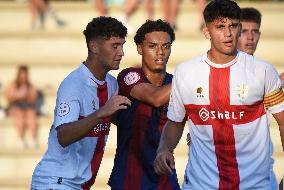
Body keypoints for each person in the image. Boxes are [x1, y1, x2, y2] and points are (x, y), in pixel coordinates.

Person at [154, 0, 284, 189]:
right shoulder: (185, 72)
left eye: (233, 25)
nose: (228, 33)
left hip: (254, 185)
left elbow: (282, 121)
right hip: (201, 184)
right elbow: (175, 122)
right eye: (220, 27)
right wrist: (164, 149)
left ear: (239, 27)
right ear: (206, 31)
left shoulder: (263, 71)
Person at [31, 16, 131, 189]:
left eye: (122, 45)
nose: (121, 52)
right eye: (114, 46)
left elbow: (121, 120)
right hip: (57, 182)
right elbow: (63, 135)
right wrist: (102, 113)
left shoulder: (111, 83)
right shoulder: (74, 84)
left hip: (78, 184)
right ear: (94, 46)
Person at [108, 19, 180, 189]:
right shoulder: (129, 76)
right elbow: (155, 98)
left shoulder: (176, 82)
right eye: (152, 46)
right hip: (130, 179)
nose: (160, 52)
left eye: (166, 46)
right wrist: (195, 75)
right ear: (140, 48)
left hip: (165, 179)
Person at [5, 65, 39, 149]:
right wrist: (18, 95)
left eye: (25, 74)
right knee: (19, 115)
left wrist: (27, 94)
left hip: (27, 107)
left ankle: (33, 139)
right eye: (22, 74)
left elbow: (34, 98)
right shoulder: (13, 85)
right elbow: (8, 97)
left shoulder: (30, 86)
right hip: (15, 107)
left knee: (31, 115)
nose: (23, 76)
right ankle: (20, 139)